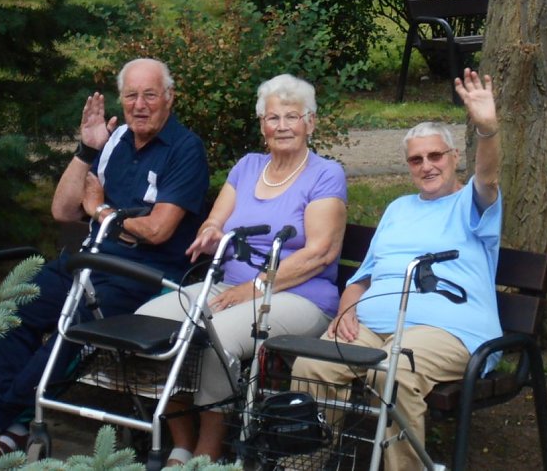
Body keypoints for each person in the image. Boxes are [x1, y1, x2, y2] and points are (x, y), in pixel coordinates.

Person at [0, 58, 210, 468]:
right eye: (131, 95)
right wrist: (86, 150)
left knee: (71, 330)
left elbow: (160, 229)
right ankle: (19, 426)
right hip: (84, 264)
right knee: (6, 309)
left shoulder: (185, 150)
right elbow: (63, 210)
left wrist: (100, 211)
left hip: (135, 278)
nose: (140, 104)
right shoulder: (115, 140)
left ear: (169, 98)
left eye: (150, 94)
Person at [292, 68, 501, 471]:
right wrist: (345, 312)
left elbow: (488, 177)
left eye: (436, 155)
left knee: (391, 371)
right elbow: (362, 277)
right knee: (311, 365)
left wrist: (488, 130)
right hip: (375, 325)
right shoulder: (398, 208)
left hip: (448, 330)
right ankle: (308, 462)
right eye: (416, 159)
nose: (427, 166)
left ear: (455, 157)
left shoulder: (473, 204)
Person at [135, 73, 347, 466]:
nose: (282, 126)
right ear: (262, 125)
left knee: (217, 340)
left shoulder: (325, 174)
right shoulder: (247, 167)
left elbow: (320, 253)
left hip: (300, 296)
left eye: (292, 116)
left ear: (310, 123)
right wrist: (211, 234)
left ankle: (209, 450)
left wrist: (252, 288)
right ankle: (181, 441)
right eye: (273, 118)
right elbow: (214, 223)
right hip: (229, 286)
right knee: (150, 322)